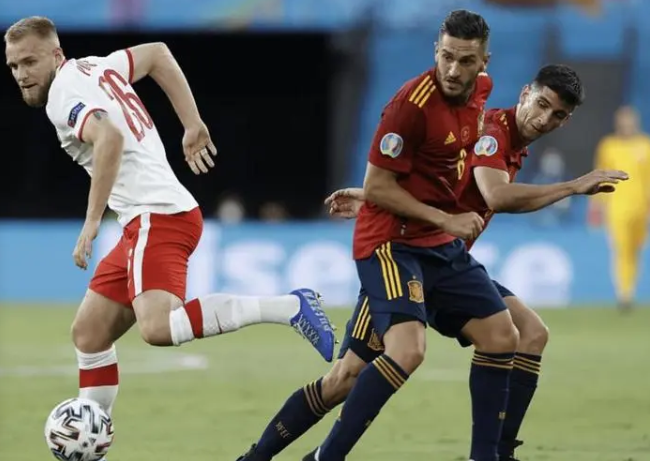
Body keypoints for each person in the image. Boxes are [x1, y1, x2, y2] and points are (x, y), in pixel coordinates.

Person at [235, 64, 627, 461]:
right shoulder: (493, 133)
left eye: (557, 114)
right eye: (541, 104)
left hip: (445, 261)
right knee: (344, 380)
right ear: (525, 93)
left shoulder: (505, 141)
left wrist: (374, 197)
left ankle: (498, 452)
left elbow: (437, 177)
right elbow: (497, 196)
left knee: (529, 332)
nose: (544, 119)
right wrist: (573, 186)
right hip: (405, 257)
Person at [4, 15, 336, 439]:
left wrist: (91, 221)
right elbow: (158, 54)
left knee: (158, 328)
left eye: (30, 62)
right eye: (13, 66)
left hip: (156, 216)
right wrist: (191, 122)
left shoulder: (63, 95)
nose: (21, 74)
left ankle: (289, 307)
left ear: (56, 54)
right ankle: (91, 440)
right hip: (147, 218)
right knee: (89, 334)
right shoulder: (96, 66)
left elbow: (109, 139)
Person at [238, 9, 514, 461]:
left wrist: (431, 215)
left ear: (483, 62)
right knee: (408, 350)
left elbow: (432, 169)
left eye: (465, 60)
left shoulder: (481, 91)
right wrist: (441, 218)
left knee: (499, 336)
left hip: (436, 246)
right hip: (391, 246)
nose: (452, 69)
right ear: (435, 51)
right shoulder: (410, 106)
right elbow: (381, 184)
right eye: (446, 56)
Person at [588, 105, 650, 311]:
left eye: (630, 120)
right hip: (617, 207)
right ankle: (625, 293)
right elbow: (599, 175)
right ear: (618, 123)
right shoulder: (609, 146)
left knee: (635, 250)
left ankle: (629, 288)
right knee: (622, 250)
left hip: (642, 208)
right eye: (624, 120)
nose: (627, 124)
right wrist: (595, 207)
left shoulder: (645, 145)